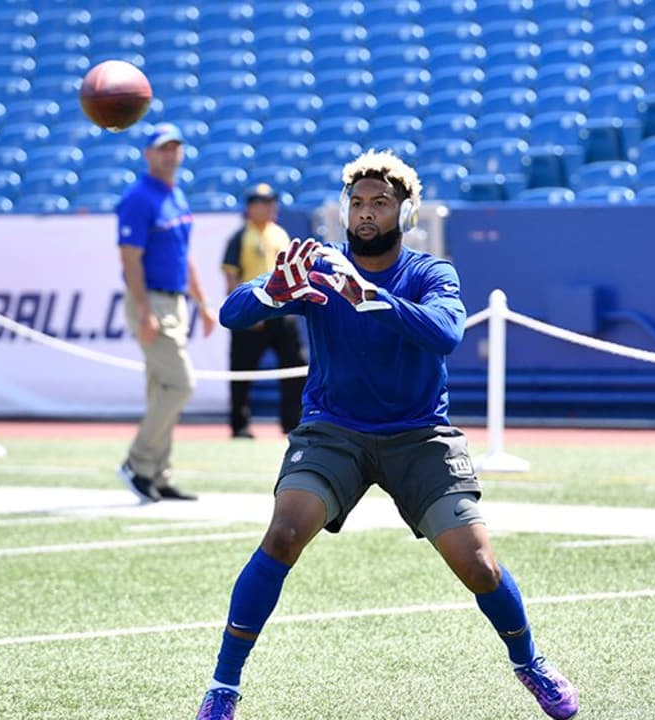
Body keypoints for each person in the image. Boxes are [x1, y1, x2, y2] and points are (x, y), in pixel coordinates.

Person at [194, 150, 579, 720]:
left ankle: (530, 662)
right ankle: (224, 686)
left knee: (479, 566)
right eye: (357, 203)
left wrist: (368, 296)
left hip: (419, 434)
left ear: (405, 212)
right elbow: (232, 314)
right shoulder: (320, 266)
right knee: (282, 534)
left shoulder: (429, 272)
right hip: (333, 431)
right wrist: (272, 293)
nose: (366, 212)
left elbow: (446, 333)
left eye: (379, 202)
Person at [114, 121, 216, 502]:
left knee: (162, 388)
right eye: (163, 148)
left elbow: (184, 257)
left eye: (176, 147)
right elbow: (130, 259)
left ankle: (157, 473)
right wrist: (143, 310)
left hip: (174, 299)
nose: (171, 154)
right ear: (148, 154)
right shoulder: (138, 198)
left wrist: (202, 302)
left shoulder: (176, 195)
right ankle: (137, 462)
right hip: (152, 300)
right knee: (181, 384)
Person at [220, 182, 307, 438]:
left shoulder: (279, 233)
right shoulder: (240, 237)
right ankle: (240, 425)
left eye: (272, 202)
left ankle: (293, 421)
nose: (271, 207)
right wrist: (245, 313)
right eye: (265, 203)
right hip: (253, 314)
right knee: (242, 371)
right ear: (250, 208)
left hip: (281, 313)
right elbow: (231, 277)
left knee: (295, 366)